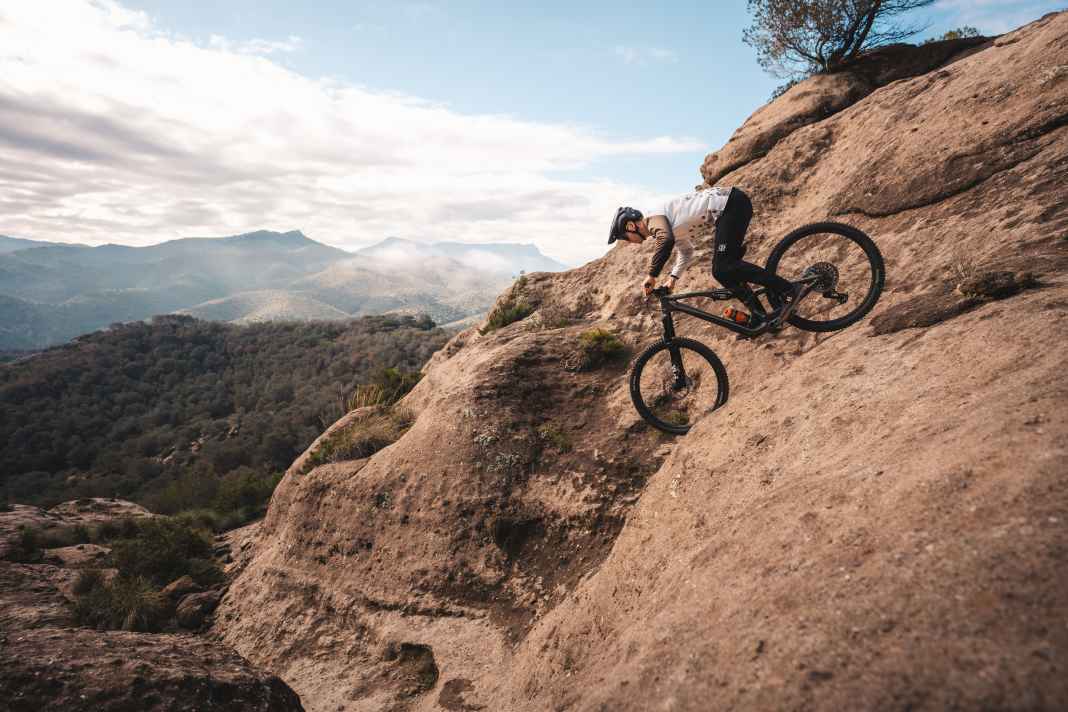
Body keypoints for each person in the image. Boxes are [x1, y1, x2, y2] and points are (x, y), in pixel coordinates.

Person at [607, 186, 803, 326]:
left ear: (631, 226)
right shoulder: (665, 223)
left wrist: (651, 275)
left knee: (722, 267)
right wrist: (672, 279)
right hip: (729, 207)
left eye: (625, 237)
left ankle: (790, 289)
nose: (628, 241)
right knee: (724, 272)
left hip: (731, 205)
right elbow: (686, 251)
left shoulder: (653, 219)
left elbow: (665, 241)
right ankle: (761, 318)